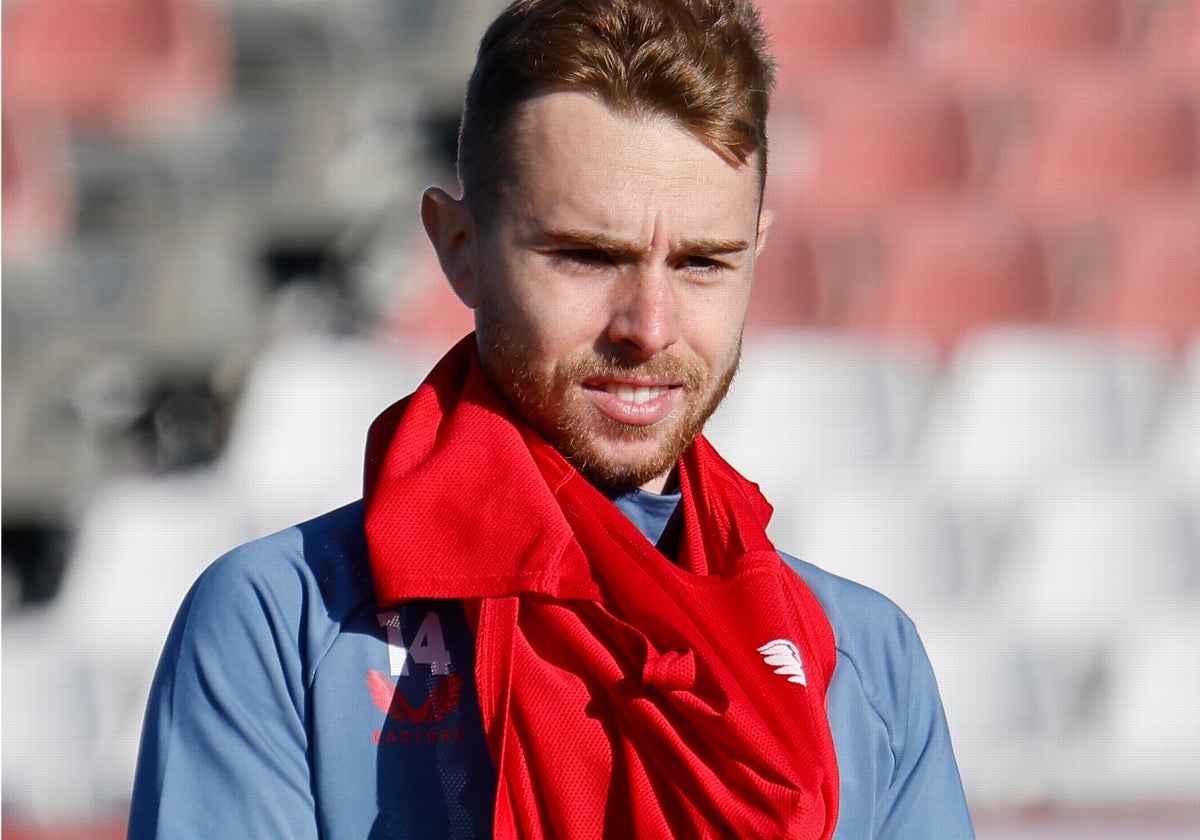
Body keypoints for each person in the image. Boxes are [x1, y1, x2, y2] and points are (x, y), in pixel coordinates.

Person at [128, 1, 976, 837]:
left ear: (758, 251)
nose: (649, 325)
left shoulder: (862, 663)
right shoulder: (283, 625)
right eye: (588, 255)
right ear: (459, 248)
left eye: (703, 263)